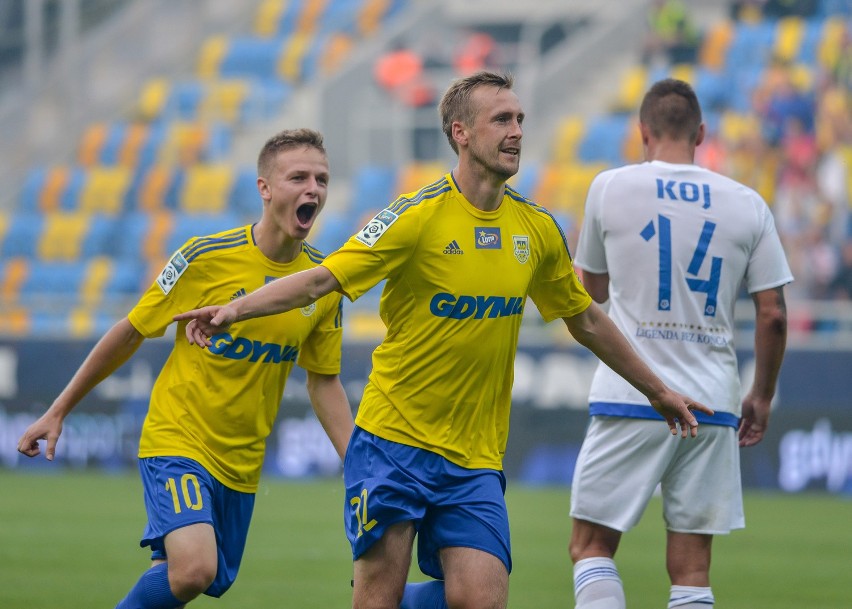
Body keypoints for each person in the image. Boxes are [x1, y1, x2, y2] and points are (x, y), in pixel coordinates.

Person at [174, 71, 712, 609]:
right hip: (393, 445)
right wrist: (235, 309)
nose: (517, 131)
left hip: (475, 457)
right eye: (502, 119)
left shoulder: (538, 229)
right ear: (460, 132)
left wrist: (657, 389)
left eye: (520, 119)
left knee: (482, 601)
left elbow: (586, 319)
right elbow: (322, 279)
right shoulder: (415, 216)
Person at [16, 128, 354, 609]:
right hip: (178, 440)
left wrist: (359, 463)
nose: (313, 190)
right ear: (264, 188)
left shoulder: (321, 285)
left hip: (241, 464)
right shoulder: (204, 258)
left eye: (321, 179)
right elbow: (132, 329)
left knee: (180, 577)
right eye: (298, 177)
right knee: (196, 568)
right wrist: (58, 410)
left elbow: (323, 380)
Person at [569, 78, 792, 609]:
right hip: (711, 402)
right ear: (702, 133)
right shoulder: (748, 204)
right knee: (691, 571)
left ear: (642, 132)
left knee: (591, 546)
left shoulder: (610, 187)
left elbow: (588, 293)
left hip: (631, 394)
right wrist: (760, 397)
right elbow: (774, 315)